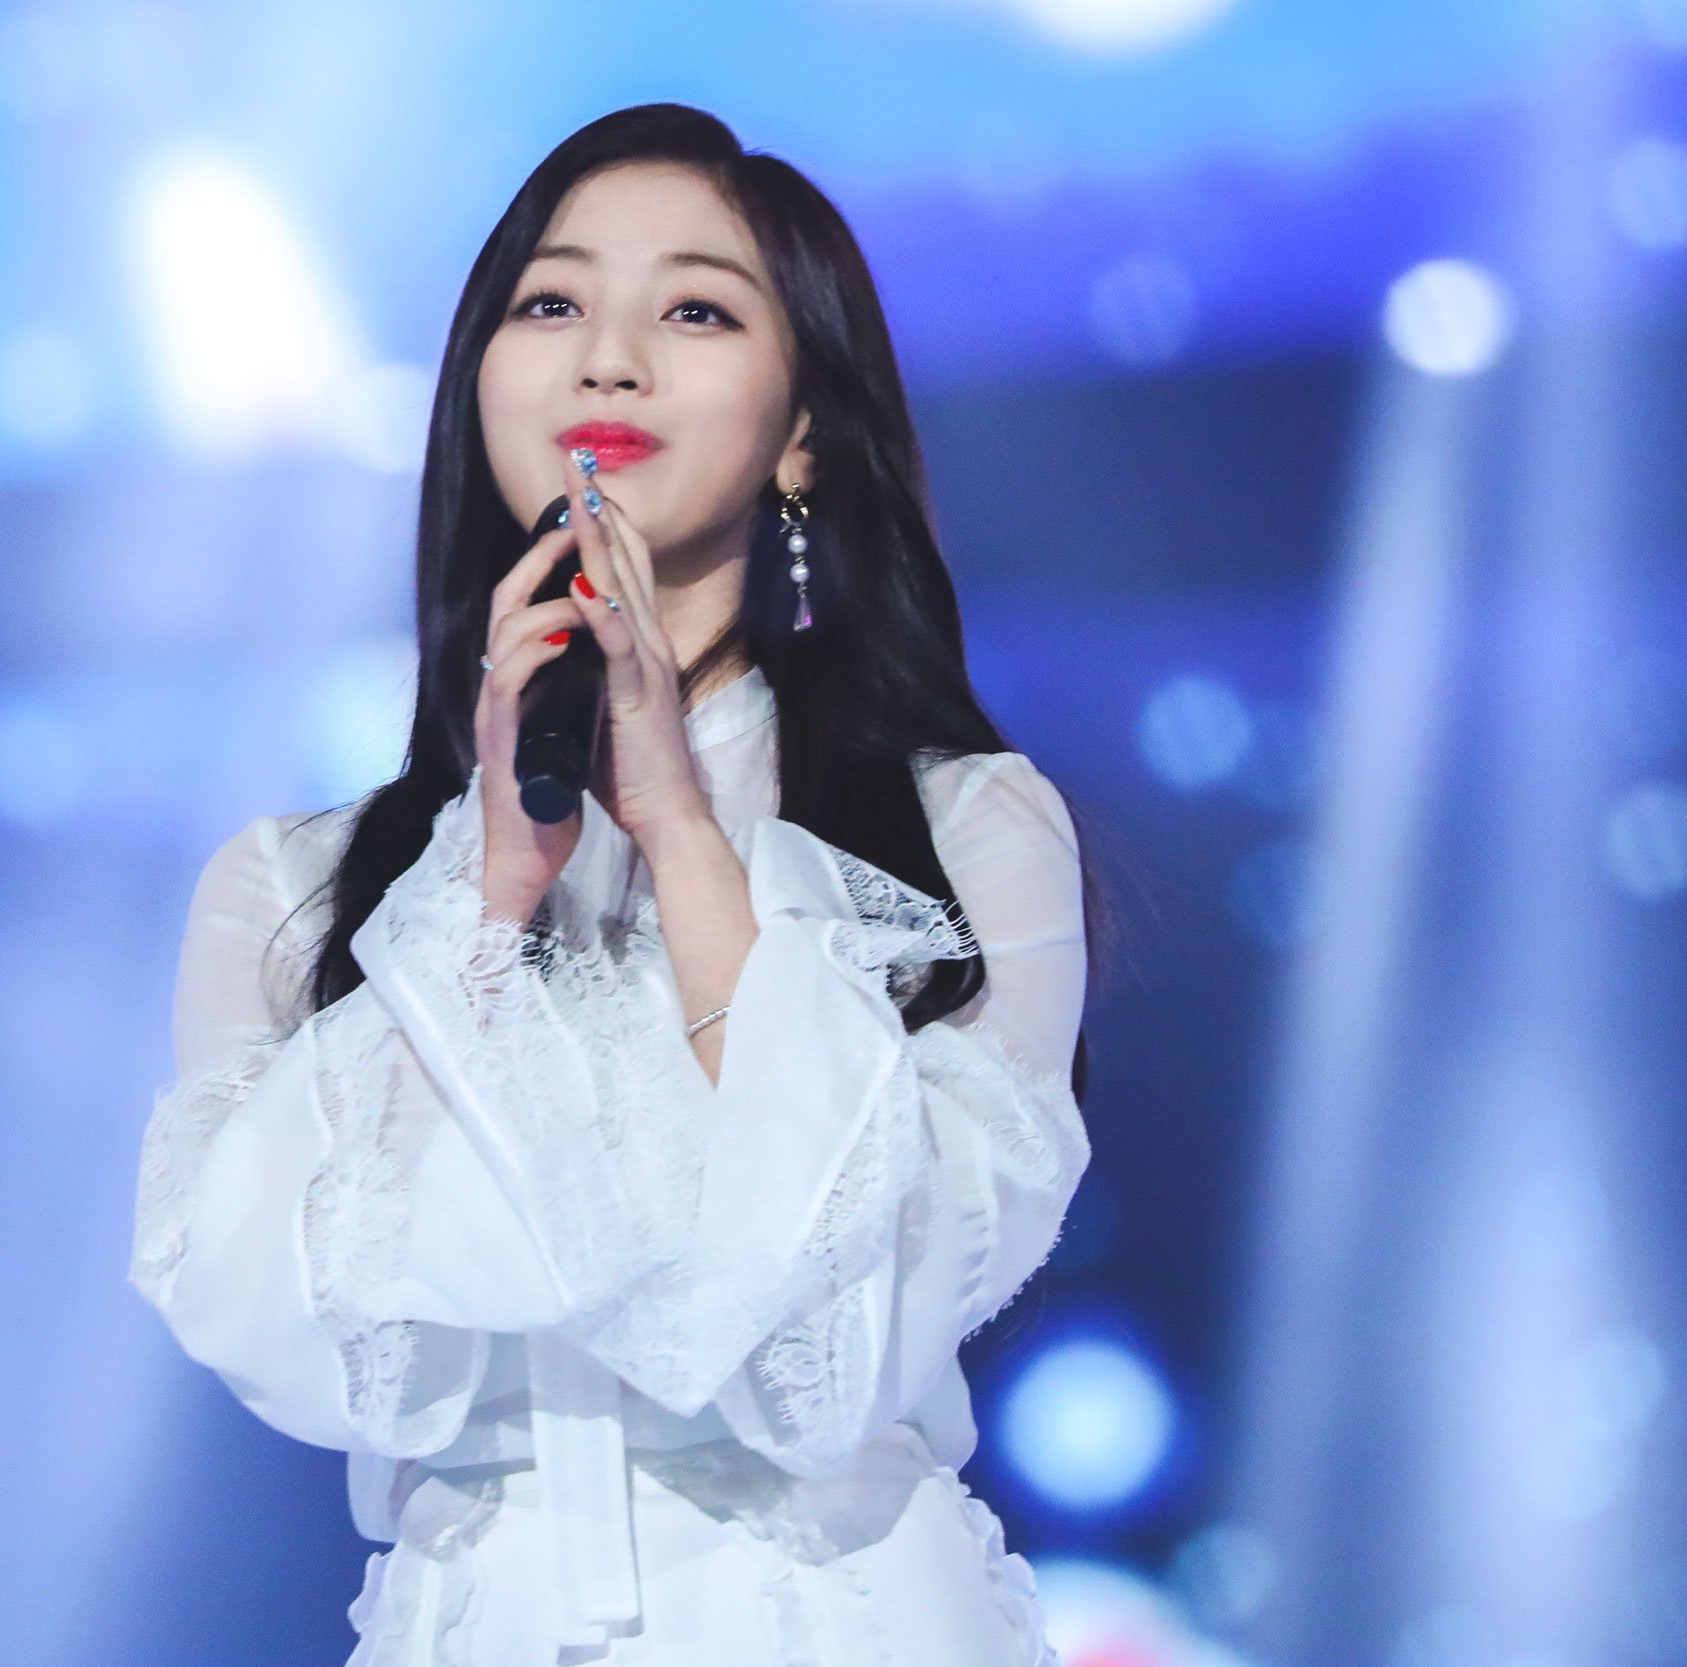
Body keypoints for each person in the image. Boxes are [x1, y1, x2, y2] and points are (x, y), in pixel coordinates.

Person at [130, 102, 1101, 1666]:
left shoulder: (966, 834)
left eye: (696, 311)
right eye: (552, 305)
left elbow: (841, 1338)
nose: (608, 361)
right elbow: (291, 1338)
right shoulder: (294, 891)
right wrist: (486, 896)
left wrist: (683, 833)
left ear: (802, 431)